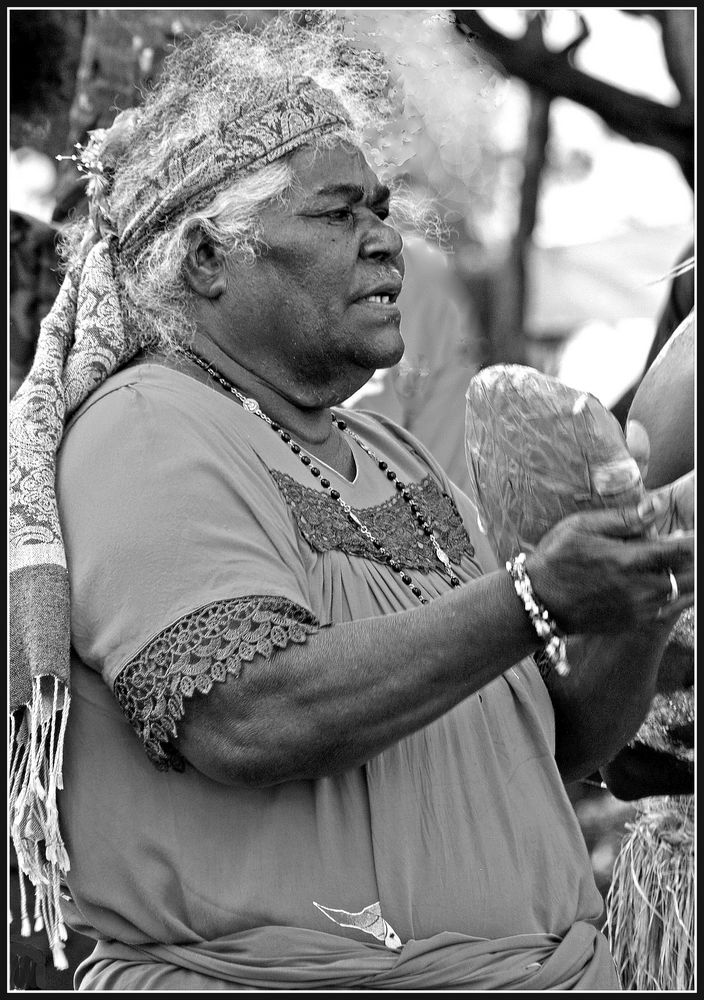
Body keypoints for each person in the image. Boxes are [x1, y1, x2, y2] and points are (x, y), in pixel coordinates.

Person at [9, 15, 694, 991]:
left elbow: (557, 745)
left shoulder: (393, 455)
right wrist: (530, 595)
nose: (385, 241)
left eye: (381, 209)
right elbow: (250, 718)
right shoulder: (148, 428)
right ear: (209, 257)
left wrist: (641, 592)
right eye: (337, 215)